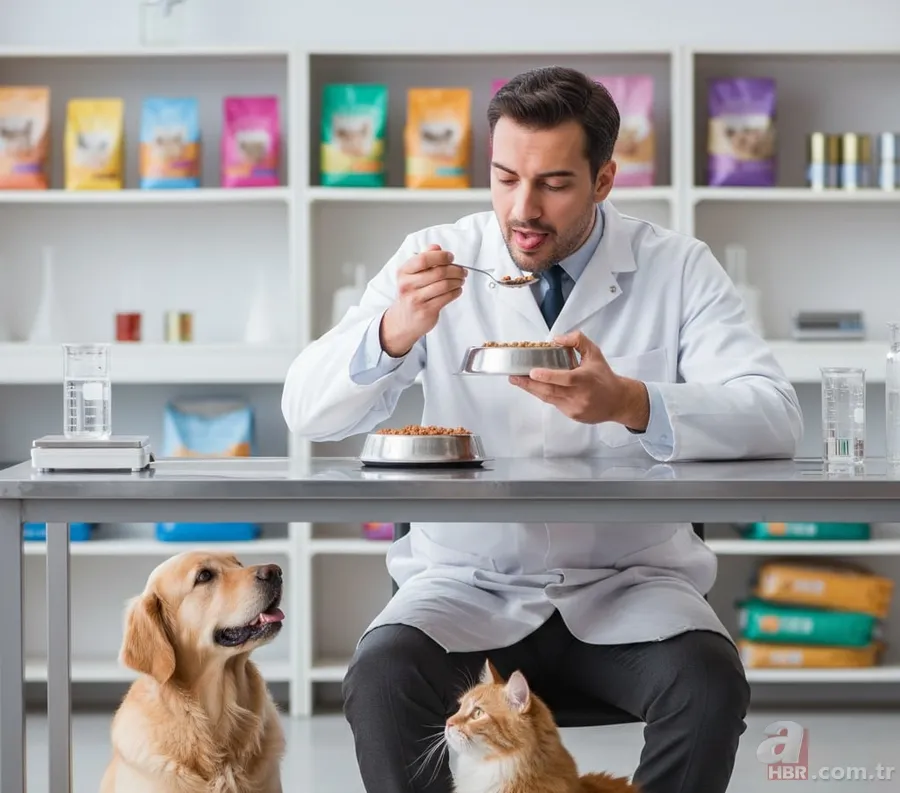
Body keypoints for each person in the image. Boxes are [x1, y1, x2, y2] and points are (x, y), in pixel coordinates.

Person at [282, 66, 803, 793]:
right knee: (381, 676)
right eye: (505, 179)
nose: (522, 209)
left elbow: (775, 414)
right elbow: (307, 411)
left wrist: (632, 402)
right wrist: (394, 330)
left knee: (709, 682)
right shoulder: (436, 254)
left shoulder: (677, 267)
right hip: (469, 584)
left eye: (554, 184)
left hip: (631, 586)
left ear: (605, 179)